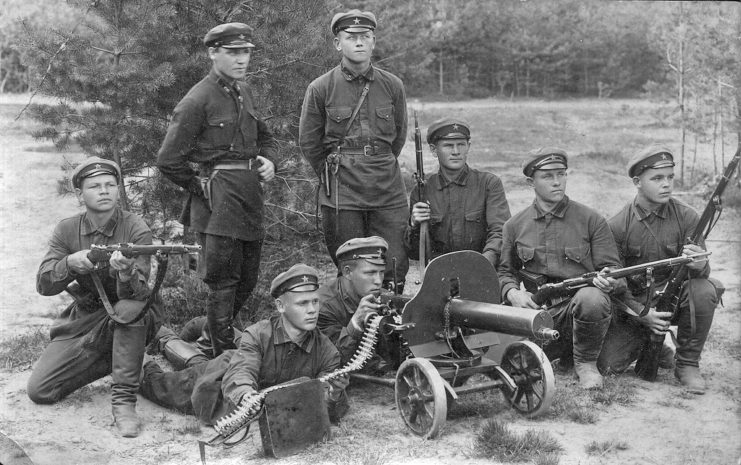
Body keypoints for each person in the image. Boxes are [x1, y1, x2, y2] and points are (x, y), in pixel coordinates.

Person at [157, 22, 278, 357]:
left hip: (249, 196)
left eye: (246, 53)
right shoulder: (197, 99)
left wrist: (269, 160)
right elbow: (168, 159)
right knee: (223, 282)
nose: (242, 60)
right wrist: (200, 187)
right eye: (233, 52)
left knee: (249, 278)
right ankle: (220, 352)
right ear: (213, 53)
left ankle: (211, 333)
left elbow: (265, 137)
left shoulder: (244, 91)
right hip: (219, 201)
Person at [28, 157, 160, 438]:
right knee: (41, 390)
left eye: (110, 184)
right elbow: (44, 283)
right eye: (95, 186)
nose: (104, 191)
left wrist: (124, 275)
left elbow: (140, 293)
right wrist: (72, 262)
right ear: (80, 194)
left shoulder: (136, 228)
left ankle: (124, 402)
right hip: (89, 316)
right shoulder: (67, 229)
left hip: (135, 313)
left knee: (127, 308)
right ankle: (126, 358)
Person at [140, 264, 349, 424]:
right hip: (221, 376)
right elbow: (242, 372)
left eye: (315, 301)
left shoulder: (327, 351)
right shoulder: (258, 334)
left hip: (247, 382)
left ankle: (167, 337)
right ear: (280, 306)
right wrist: (246, 395)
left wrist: (334, 394)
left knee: (195, 361)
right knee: (162, 387)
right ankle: (144, 357)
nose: (312, 310)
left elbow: (325, 410)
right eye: (302, 303)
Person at [299, 10, 409, 292]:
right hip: (342, 191)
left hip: (386, 188)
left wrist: (376, 161)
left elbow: (397, 138)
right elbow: (310, 143)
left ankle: (389, 329)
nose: (358, 42)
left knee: (393, 264)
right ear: (338, 43)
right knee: (349, 266)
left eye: (365, 37)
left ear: (373, 41)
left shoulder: (392, 85)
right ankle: (351, 330)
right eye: (351, 37)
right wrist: (336, 169)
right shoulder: (320, 88)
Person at [597, 146, 720, 394]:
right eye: (657, 178)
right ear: (637, 182)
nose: (667, 185)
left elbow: (701, 273)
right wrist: (643, 314)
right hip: (636, 308)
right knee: (608, 365)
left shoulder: (687, 217)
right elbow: (614, 286)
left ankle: (687, 364)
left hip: (674, 302)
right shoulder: (618, 225)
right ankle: (655, 345)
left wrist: (699, 265)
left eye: (670, 177)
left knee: (705, 289)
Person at [497, 148, 624, 389]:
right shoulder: (514, 226)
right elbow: (505, 272)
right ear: (530, 182)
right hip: (540, 315)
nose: (557, 182)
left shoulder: (590, 220)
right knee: (508, 359)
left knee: (592, 298)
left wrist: (610, 281)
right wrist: (513, 293)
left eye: (561, 174)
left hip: (583, 309)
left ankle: (585, 364)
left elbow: (614, 270)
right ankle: (564, 354)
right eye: (548, 176)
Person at [405, 118, 511, 268]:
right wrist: (414, 225)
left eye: (461, 145)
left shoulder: (488, 184)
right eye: (448, 146)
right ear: (434, 150)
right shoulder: (423, 190)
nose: (456, 152)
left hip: (481, 270)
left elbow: (500, 232)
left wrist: (482, 264)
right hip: (441, 273)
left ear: (469, 146)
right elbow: (415, 253)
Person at [316, 236, 395, 370]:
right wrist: (355, 324)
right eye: (370, 273)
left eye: (381, 272)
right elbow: (331, 360)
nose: (378, 281)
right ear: (347, 272)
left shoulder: (382, 295)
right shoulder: (323, 305)